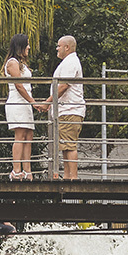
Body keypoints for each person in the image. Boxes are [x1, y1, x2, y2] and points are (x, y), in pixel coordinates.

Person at [39, 35, 86, 179]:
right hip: (65, 110)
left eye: (59, 46)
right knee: (65, 145)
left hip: (70, 110)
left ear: (67, 47)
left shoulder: (70, 62)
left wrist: (48, 102)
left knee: (69, 144)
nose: (57, 49)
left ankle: (73, 177)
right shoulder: (68, 62)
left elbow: (63, 86)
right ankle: (67, 175)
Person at [4, 33, 41, 180]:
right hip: (17, 102)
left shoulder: (22, 64)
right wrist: (33, 101)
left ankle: (27, 170)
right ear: (20, 46)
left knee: (28, 135)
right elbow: (18, 85)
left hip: (25, 102)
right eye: (27, 44)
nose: (29, 47)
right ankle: (16, 170)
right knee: (20, 135)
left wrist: (31, 102)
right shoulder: (12, 62)